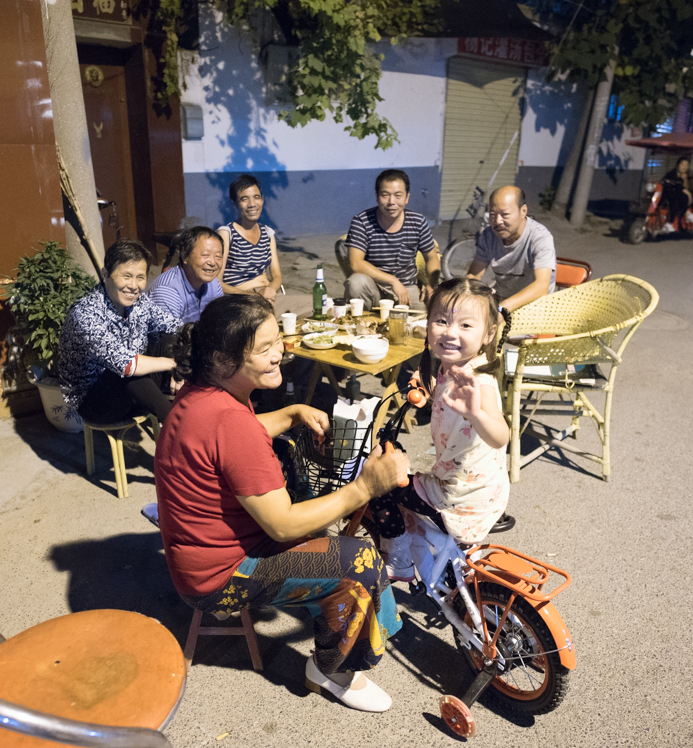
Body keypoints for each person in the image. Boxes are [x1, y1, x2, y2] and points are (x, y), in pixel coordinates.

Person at [154, 294, 409, 712]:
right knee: (360, 560)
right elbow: (283, 525)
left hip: (196, 561)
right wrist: (364, 487)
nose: (281, 353)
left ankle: (335, 617)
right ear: (221, 359)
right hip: (219, 580)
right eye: (266, 348)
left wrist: (291, 413)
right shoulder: (229, 422)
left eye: (279, 341)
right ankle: (332, 671)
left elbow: (234, 439)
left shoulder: (202, 397)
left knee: (325, 532)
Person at [369, 278, 511, 579]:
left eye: (465, 326)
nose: (450, 332)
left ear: (489, 333)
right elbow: (446, 395)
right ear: (428, 322)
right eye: (442, 321)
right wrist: (429, 388)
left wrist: (476, 414)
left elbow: (500, 436)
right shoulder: (454, 368)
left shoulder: (479, 383)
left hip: (459, 496)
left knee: (378, 486)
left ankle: (399, 560)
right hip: (480, 488)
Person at [59, 239, 179, 424]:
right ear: (105, 274)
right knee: (124, 370)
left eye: (140, 277)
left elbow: (175, 327)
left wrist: (181, 368)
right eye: (126, 276)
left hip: (138, 392)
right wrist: (173, 363)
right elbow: (125, 364)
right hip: (97, 404)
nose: (133, 285)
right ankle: (177, 425)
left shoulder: (141, 302)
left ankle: (196, 413)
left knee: (173, 340)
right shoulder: (85, 313)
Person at [345, 169, 439, 309]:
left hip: (407, 288)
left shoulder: (417, 222)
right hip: (374, 285)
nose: (391, 202)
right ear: (377, 197)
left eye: (398, 196)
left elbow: (431, 257)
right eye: (385, 195)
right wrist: (393, 281)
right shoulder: (362, 221)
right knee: (356, 283)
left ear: (407, 198)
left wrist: (432, 285)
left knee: (422, 322)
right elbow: (356, 263)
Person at [467, 186, 555, 313]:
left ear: (523, 211)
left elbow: (541, 287)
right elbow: (474, 275)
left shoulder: (540, 237)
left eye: (505, 214)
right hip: (502, 304)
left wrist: (502, 309)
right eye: (492, 214)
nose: (497, 221)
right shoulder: (488, 235)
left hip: (535, 310)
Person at [218, 174, 283, 303]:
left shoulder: (268, 233)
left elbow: (277, 276)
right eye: (244, 199)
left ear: (262, 200)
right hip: (241, 300)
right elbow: (217, 282)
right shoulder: (226, 233)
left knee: (321, 304)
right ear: (234, 204)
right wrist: (252, 295)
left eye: (256, 197)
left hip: (267, 296)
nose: (252, 204)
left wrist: (270, 289)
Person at [148, 226, 224, 324]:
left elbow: (220, 322)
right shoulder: (167, 291)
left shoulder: (213, 283)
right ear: (185, 256)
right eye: (205, 255)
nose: (213, 262)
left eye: (218, 256)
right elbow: (167, 338)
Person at [660, 156, 693, 232]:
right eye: (682, 165)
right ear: (678, 165)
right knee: (680, 199)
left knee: (683, 197)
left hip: (676, 196)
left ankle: (686, 215)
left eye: (686, 165)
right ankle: (685, 215)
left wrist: (684, 180)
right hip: (667, 195)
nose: (684, 167)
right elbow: (672, 186)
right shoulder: (671, 174)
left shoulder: (684, 176)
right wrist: (685, 191)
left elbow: (685, 188)